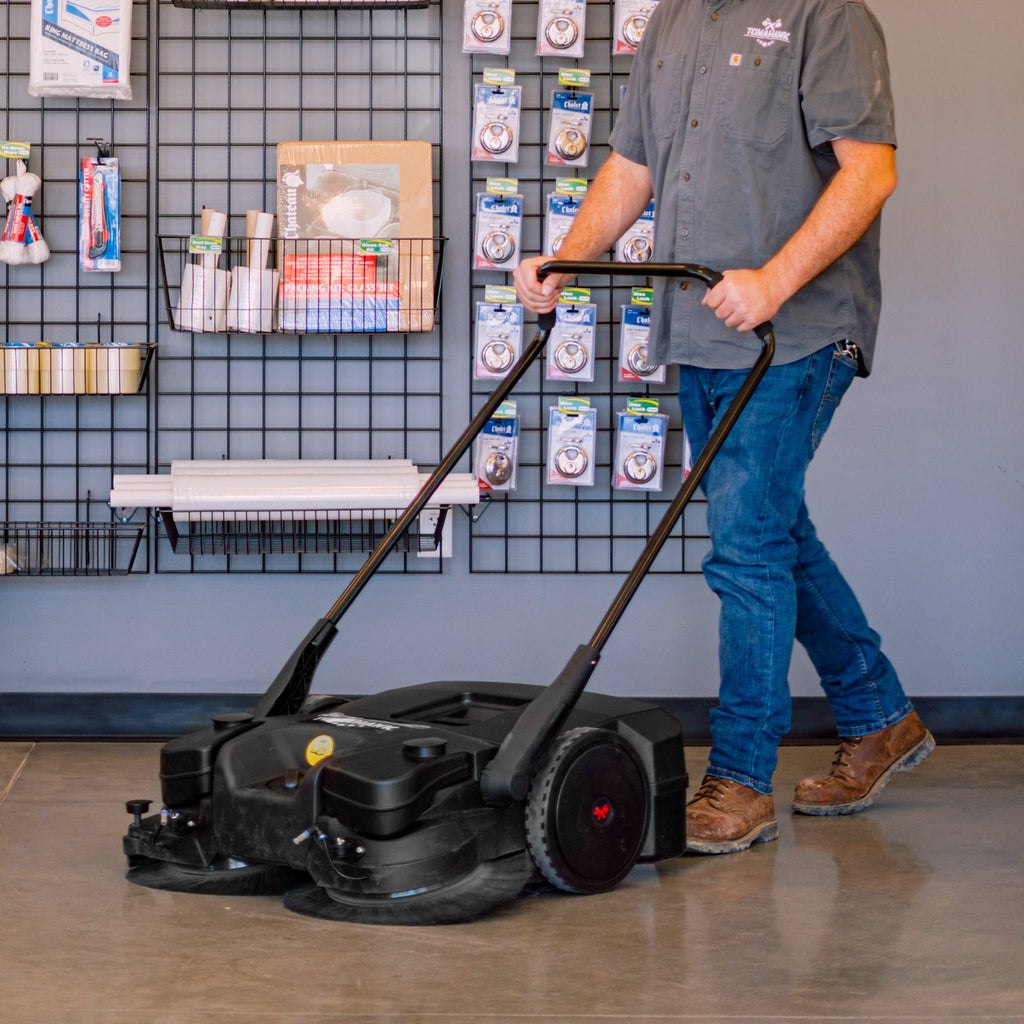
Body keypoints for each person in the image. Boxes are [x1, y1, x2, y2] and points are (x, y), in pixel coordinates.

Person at [513, 0, 934, 854]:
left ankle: (741, 781)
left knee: (744, 545)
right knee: (771, 525)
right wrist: (570, 254)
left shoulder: (826, 16)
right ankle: (879, 715)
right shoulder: (672, 21)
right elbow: (632, 166)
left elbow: (870, 172)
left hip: (798, 330)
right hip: (700, 330)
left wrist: (774, 281)